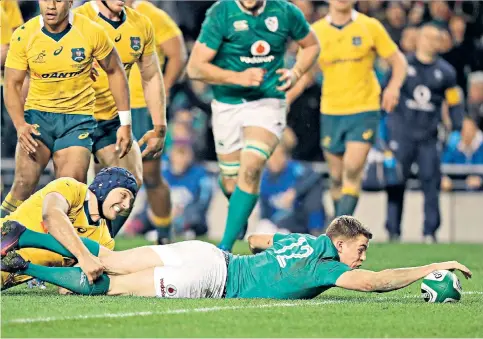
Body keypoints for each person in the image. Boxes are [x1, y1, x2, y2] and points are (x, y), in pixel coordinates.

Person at [1, 215, 472, 299]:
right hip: (212, 281)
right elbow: (375, 283)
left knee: (108, 257)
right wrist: (432, 266)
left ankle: (21, 236)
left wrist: (268, 252)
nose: (363, 259)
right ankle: (27, 267)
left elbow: (257, 239)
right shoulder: (326, 267)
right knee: (108, 285)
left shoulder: (300, 240)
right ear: (342, 242)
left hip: (205, 251)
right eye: (362, 249)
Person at [187, 0, 320, 252]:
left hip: (267, 102)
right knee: (230, 181)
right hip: (227, 104)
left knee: (252, 167)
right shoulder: (221, 12)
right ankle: (239, 211)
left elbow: (311, 45)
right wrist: (237, 77)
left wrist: (296, 72)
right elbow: (195, 67)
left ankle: (224, 248)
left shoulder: (284, 11)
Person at [1, 0, 129, 218]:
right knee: (22, 187)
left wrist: (125, 123)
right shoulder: (25, 34)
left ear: (70, 2)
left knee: (69, 191)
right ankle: (3, 239)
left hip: (76, 121)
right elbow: (12, 83)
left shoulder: (91, 31)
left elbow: (115, 71)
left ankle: (61, 251)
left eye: (58, 0)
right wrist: (20, 124)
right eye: (45, 0)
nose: (51, 6)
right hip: (37, 120)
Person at [287, 0, 407, 220]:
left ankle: (338, 234)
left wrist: (393, 88)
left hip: (364, 109)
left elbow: (398, 61)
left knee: (352, 168)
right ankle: (339, 224)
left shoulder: (370, 26)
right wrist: (287, 98)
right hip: (331, 111)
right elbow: (305, 73)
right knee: (336, 176)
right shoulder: (317, 31)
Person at [74, 0, 168, 236]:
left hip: (111, 121)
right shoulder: (76, 20)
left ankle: (98, 246)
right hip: (72, 119)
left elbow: (151, 76)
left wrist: (159, 125)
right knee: (65, 189)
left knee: (129, 181)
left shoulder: (140, 24)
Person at [384, 23, 464, 243]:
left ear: (441, 43)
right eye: (427, 37)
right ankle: (393, 231)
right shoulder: (401, 65)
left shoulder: (447, 72)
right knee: (395, 182)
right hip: (401, 134)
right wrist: (384, 128)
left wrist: (456, 128)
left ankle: (430, 232)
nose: (430, 41)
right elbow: (386, 94)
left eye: (435, 38)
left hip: (428, 137)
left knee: (431, 184)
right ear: (417, 39)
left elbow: (454, 102)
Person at [1, 167, 138, 290]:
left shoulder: (105, 241)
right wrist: (84, 256)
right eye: (123, 195)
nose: (126, 205)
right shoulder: (70, 187)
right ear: (106, 186)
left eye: (130, 202)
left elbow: (75, 283)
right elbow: (51, 215)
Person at [126, 0, 187, 244]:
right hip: (105, 104)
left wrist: (165, 89)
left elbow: (178, 55)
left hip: (142, 106)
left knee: (150, 175)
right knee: (103, 173)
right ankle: (98, 237)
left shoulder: (152, 15)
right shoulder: (91, 14)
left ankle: (164, 233)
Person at [257, 128, 324, 235]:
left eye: (278, 155)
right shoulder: (265, 178)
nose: (275, 160)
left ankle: (316, 233)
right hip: (276, 224)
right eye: (271, 156)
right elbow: (264, 209)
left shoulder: (295, 169)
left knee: (313, 192)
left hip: (298, 224)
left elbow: (315, 176)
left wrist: (295, 191)